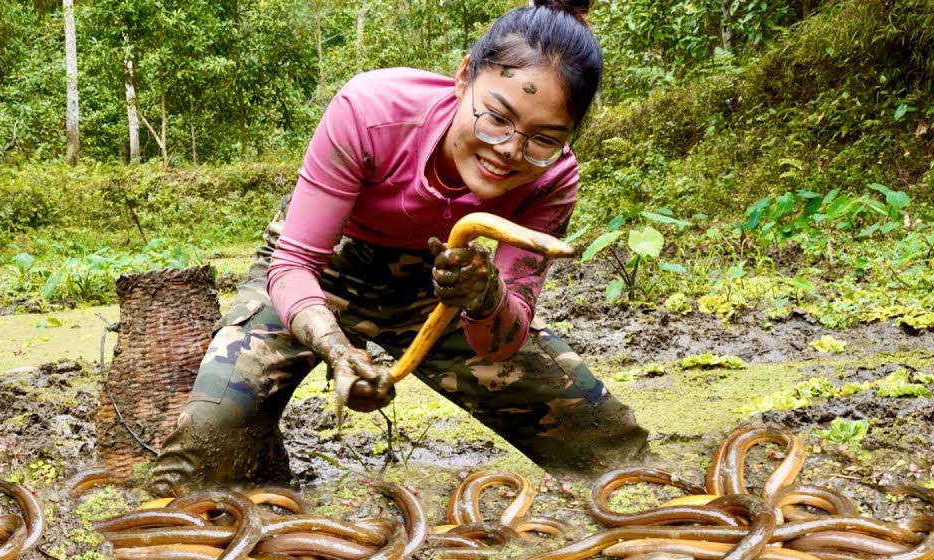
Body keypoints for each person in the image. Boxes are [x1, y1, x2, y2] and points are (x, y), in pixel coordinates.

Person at [151, 0, 647, 488]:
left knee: (612, 450)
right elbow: (294, 263)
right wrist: (336, 349)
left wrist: (484, 296)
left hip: (449, 291)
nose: (509, 150)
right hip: (321, 273)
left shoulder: (552, 179)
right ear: (463, 76)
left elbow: (501, 336)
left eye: (544, 139)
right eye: (497, 117)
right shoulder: (371, 109)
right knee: (203, 450)